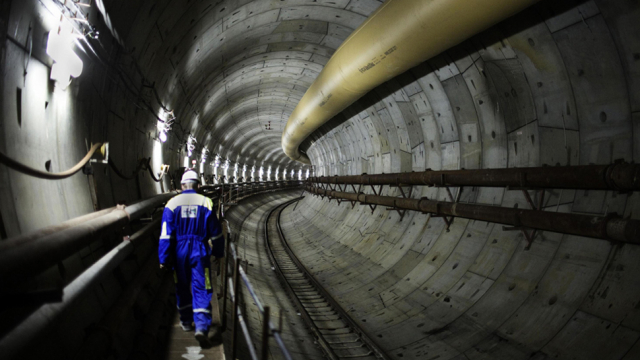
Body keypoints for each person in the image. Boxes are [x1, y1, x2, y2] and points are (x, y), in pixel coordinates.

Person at [158, 169, 224, 343]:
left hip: (179, 251)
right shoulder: (206, 202)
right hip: (200, 250)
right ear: (199, 186)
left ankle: (186, 322)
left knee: (181, 285)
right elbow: (216, 233)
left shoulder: (172, 204)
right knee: (202, 287)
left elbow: (166, 234)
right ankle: (202, 327)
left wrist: (163, 259)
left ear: (181, 185)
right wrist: (218, 252)